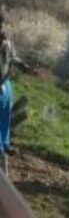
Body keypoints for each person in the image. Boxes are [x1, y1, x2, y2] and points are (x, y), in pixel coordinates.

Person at [0, 13, 32, 161]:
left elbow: (13, 57)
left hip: (5, 83)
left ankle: (5, 145)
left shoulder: (7, 42)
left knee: (5, 115)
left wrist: (24, 66)